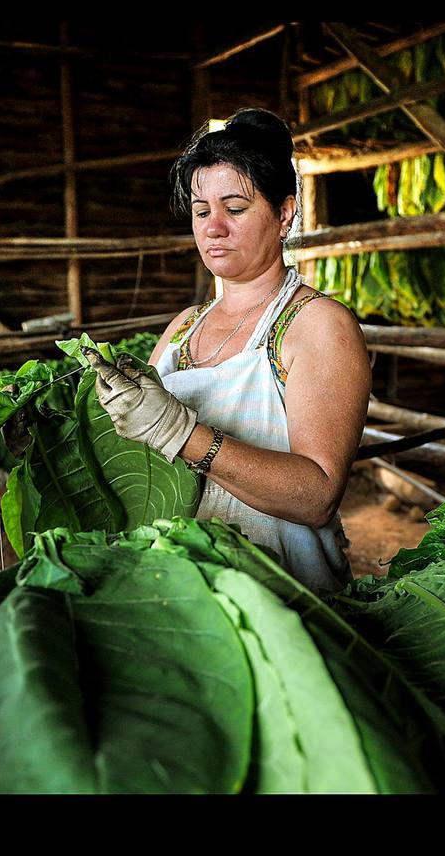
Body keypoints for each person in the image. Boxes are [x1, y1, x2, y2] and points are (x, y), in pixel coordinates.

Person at [83, 107, 371, 595]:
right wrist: (72, 428)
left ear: (284, 213)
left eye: (235, 208)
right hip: (182, 585)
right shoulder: (182, 328)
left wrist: (181, 430)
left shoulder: (318, 326)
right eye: (201, 211)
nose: (214, 227)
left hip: (287, 599)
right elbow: (136, 453)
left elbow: (317, 496)